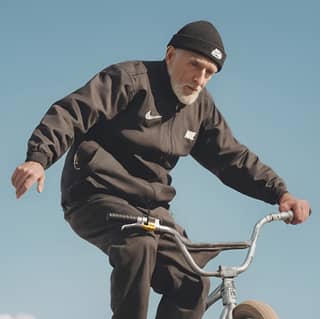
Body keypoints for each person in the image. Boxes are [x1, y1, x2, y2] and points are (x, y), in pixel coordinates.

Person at [11, 21, 310, 319]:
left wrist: (280, 193)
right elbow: (73, 112)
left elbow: (232, 157)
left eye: (210, 72)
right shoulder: (129, 80)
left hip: (152, 209)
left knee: (192, 280)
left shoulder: (200, 108)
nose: (200, 78)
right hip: (94, 195)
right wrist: (39, 157)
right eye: (195, 65)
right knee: (138, 242)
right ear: (170, 55)